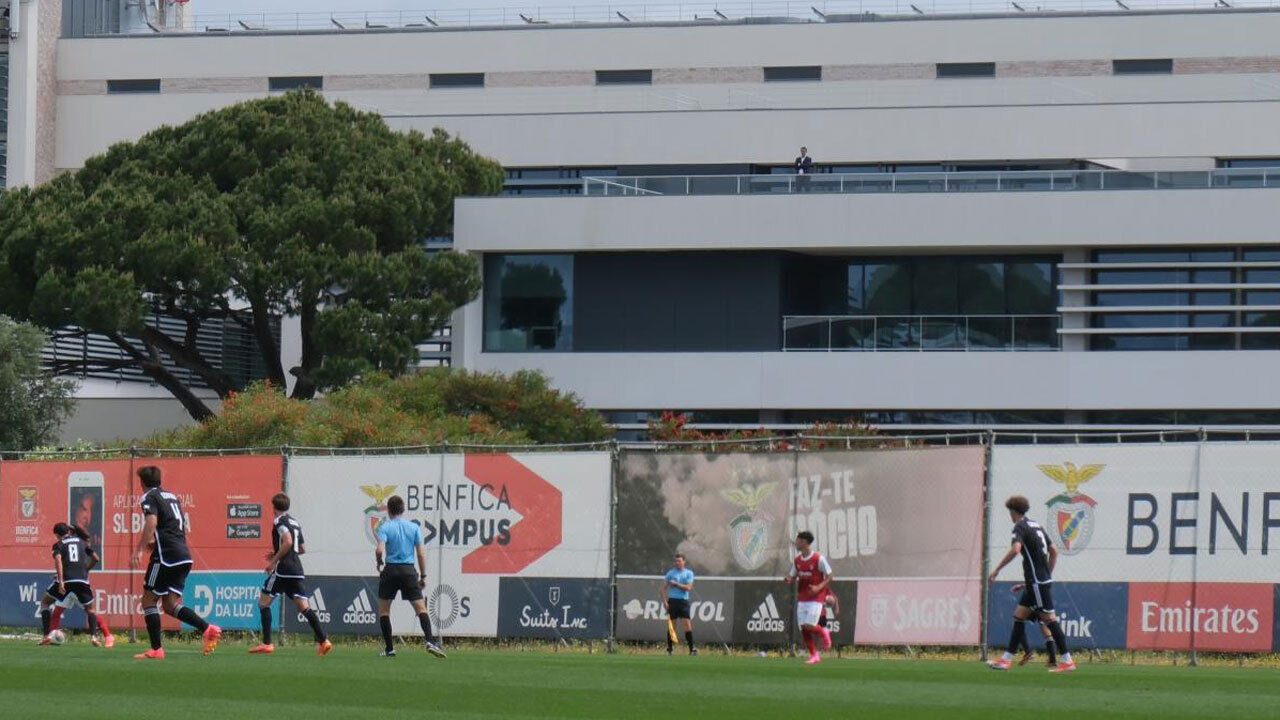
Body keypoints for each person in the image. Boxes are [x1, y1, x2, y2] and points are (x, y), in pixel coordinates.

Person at [129, 465, 222, 660]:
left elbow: (151, 522)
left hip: (167, 557)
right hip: (183, 555)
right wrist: (160, 541)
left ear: (142, 483)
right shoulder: (171, 496)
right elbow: (182, 525)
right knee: (170, 605)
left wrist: (139, 549)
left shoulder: (148, 497)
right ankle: (208, 629)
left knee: (148, 600)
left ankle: (156, 649)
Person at [987, 495, 1075, 673]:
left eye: (1009, 512)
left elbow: (1015, 549)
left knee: (1049, 620)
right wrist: (1043, 576)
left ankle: (1068, 661)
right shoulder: (1036, 525)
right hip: (1037, 582)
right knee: (1019, 616)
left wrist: (997, 569)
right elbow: (1054, 551)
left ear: (1013, 512)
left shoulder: (1019, 526)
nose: (1009, 516)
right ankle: (1006, 659)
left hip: (1037, 583)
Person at [249, 493, 333, 656]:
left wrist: (274, 560)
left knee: (263, 603)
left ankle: (267, 643)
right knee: (304, 608)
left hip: (283, 570)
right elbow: (300, 549)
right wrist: (277, 552)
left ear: (274, 507)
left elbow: (287, 541)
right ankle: (324, 641)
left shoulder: (279, 521)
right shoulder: (295, 522)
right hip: (296, 570)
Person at [374, 495, 445, 659]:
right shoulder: (413, 527)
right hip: (408, 571)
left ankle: (390, 649)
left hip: (390, 570)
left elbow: (379, 550)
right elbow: (420, 554)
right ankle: (429, 641)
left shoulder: (385, 527)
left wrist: (379, 563)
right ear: (403, 509)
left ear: (389, 510)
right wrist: (423, 575)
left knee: (384, 611)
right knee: (421, 608)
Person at [38, 523, 113, 647]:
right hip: (81, 581)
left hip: (66, 582)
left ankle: (47, 635)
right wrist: (85, 571)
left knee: (45, 602)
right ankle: (94, 637)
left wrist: (61, 580)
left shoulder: (59, 544)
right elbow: (96, 558)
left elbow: (58, 561)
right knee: (90, 610)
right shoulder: (82, 542)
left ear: (57, 535)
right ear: (69, 531)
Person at [783, 531, 833, 665]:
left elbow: (830, 576)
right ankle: (814, 655)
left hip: (816, 598)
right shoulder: (797, 560)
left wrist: (818, 587)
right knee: (803, 629)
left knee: (809, 626)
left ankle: (824, 632)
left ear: (804, 542)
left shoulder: (818, 558)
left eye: (798, 540)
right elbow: (792, 576)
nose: (796, 543)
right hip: (802, 598)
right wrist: (789, 579)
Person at [662, 553, 697, 656]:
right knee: (672, 626)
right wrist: (664, 602)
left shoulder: (688, 573)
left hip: (683, 602)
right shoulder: (671, 573)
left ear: (684, 562)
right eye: (676, 561)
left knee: (687, 625)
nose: (677, 563)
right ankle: (670, 649)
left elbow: (688, 588)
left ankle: (691, 649)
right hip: (672, 601)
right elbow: (662, 589)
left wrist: (676, 584)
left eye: (679, 561)